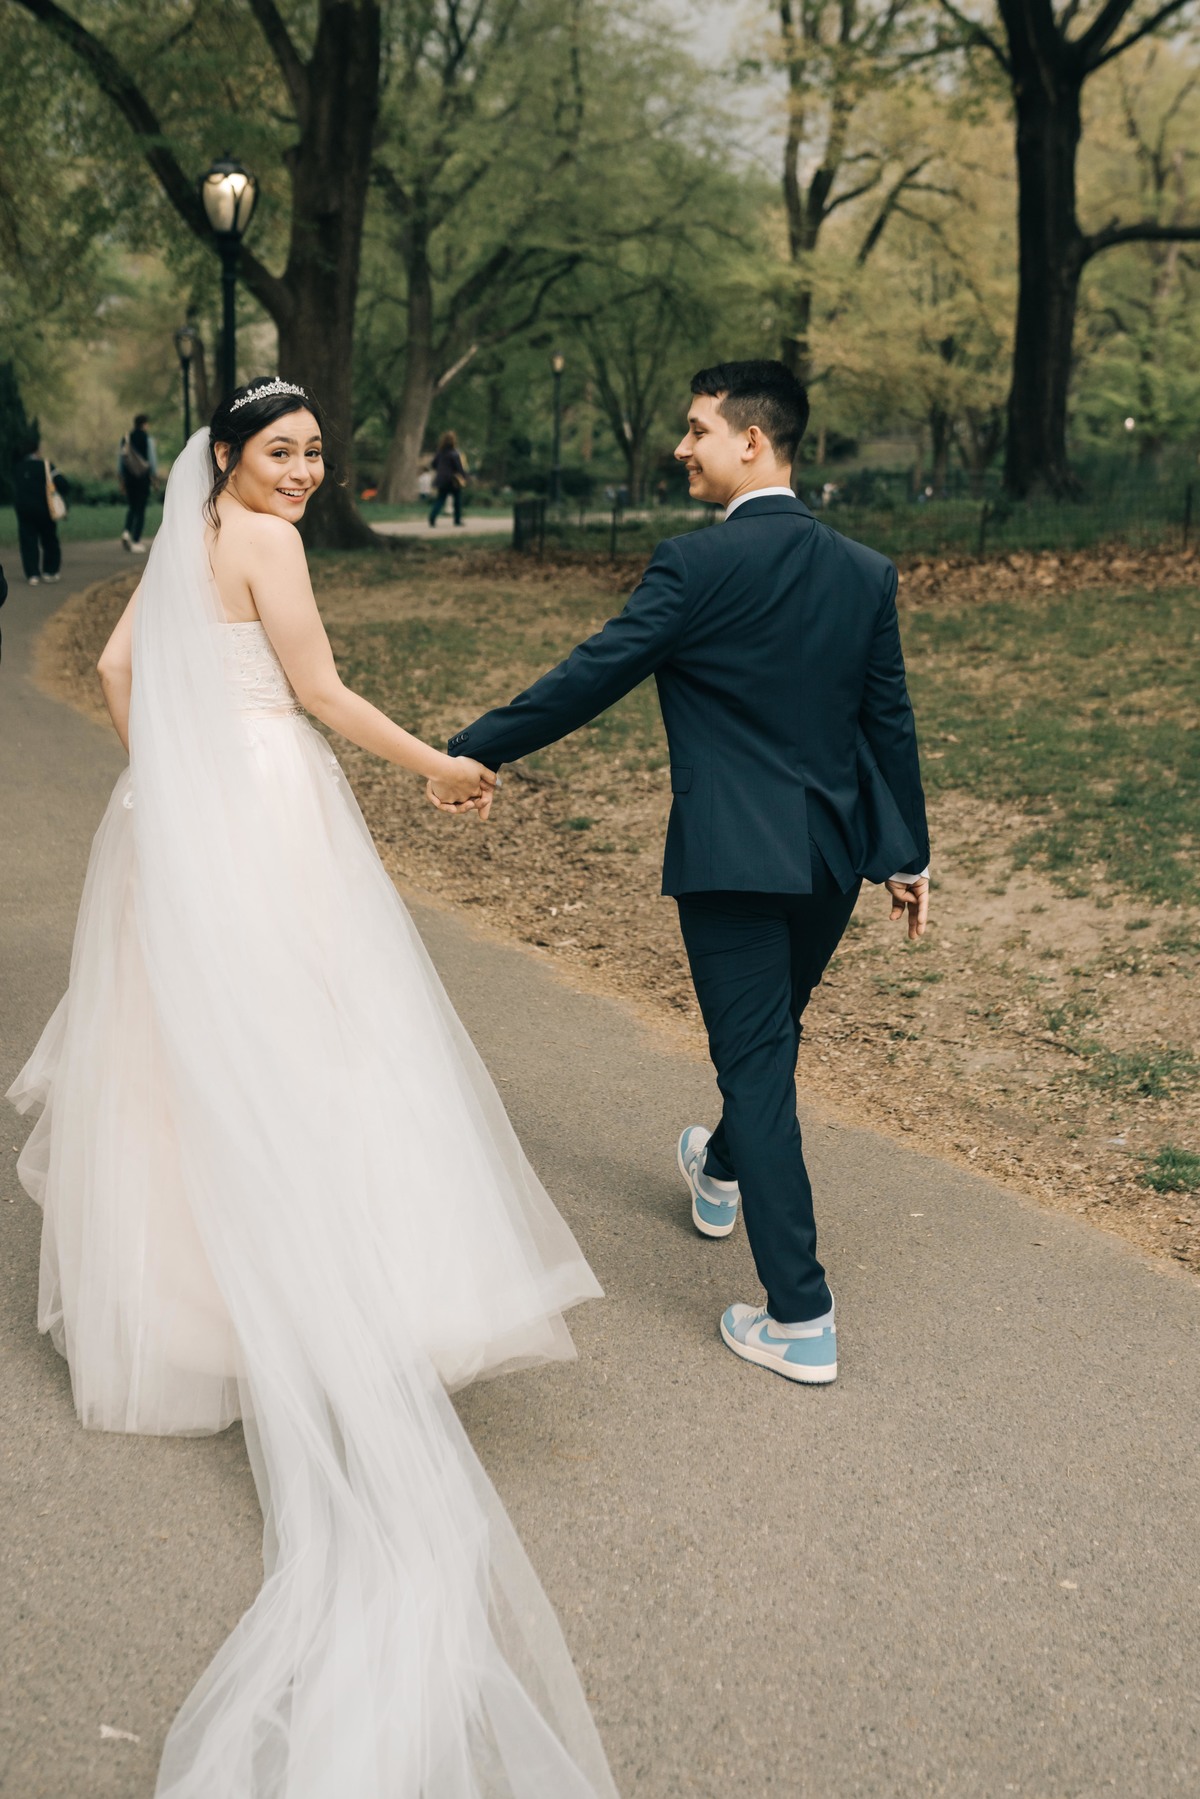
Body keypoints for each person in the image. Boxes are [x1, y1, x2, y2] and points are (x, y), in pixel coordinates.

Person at [7, 377, 616, 1796]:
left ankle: (194, 1314)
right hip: (272, 809)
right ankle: (338, 1289)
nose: (304, 472)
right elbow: (324, 691)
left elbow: (112, 678)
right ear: (230, 455)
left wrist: (178, 768)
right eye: (282, 452)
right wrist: (443, 768)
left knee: (185, 1054)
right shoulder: (268, 547)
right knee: (318, 1042)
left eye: (317, 451)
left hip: (177, 816)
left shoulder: (182, 539)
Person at [438, 360, 930, 1388]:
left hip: (733, 862)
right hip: (833, 860)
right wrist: (907, 852)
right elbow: (886, 718)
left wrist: (475, 747)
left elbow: (592, 673)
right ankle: (717, 1165)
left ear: (753, 441)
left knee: (760, 1062)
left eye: (696, 428)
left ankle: (800, 1313)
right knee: (764, 1040)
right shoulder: (862, 569)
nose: (681, 445)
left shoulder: (694, 569)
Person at [12, 434, 66, 586]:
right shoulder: (46, 466)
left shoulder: (17, 468)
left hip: (24, 510)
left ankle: (32, 573)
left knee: (28, 541)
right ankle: (50, 571)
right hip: (45, 510)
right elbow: (63, 484)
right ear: (37, 450)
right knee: (49, 540)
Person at [118, 412, 157, 553]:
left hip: (129, 479)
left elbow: (121, 461)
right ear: (145, 424)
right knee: (140, 509)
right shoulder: (147, 439)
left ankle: (126, 532)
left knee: (132, 507)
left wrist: (122, 478)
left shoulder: (126, 439)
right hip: (142, 479)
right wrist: (154, 476)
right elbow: (151, 461)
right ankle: (136, 541)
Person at [428, 428, 467, 526]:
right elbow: (458, 467)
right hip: (452, 480)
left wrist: (440, 470)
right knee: (457, 499)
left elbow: (433, 464)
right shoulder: (455, 453)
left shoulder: (439, 453)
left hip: (441, 479)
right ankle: (457, 520)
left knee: (441, 499)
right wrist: (464, 476)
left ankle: (432, 517)